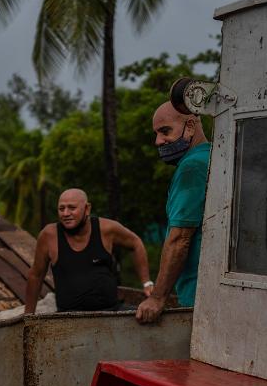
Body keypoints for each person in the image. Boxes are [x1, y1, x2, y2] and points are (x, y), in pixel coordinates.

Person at [135, 102, 210, 324]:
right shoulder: (215, 156)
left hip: (198, 297)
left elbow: (180, 238)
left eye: (165, 131)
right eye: (156, 133)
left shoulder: (192, 167)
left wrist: (157, 298)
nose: (158, 141)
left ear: (190, 126)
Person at [24, 188, 152, 313]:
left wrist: (146, 282)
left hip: (110, 314)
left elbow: (136, 243)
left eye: (72, 208)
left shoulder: (106, 229)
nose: (66, 213)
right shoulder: (49, 235)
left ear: (87, 208)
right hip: (68, 319)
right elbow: (36, 275)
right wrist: (28, 315)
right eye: (61, 208)